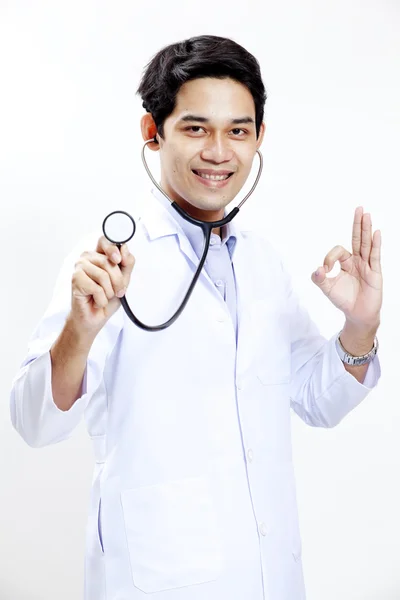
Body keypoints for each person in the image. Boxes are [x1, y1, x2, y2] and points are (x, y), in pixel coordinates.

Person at [10, 35, 382, 600]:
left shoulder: (261, 262)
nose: (218, 151)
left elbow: (317, 399)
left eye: (238, 130)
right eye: (195, 128)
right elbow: (35, 422)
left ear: (259, 138)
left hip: (269, 574)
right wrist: (78, 333)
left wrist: (361, 325)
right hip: (158, 579)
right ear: (152, 133)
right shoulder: (109, 260)